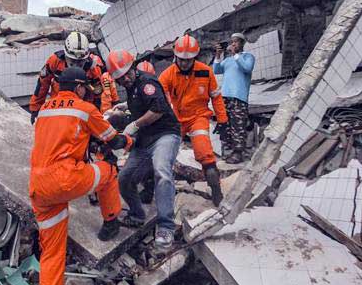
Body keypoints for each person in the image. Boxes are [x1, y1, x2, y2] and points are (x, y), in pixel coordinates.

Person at [30, 67, 133, 285]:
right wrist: (129, 141)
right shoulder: (84, 109)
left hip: (39, 187)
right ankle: (111, 223)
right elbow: (112, 140)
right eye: (84, 88)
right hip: (66, 179)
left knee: (52, 253)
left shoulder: (45, 109)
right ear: (78, 87)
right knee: (109, 170)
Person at [106, 50, 181, 249]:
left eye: (127, 74)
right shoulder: (130, 87)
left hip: (165, 134)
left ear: (133, 67)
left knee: (162, 171)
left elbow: (157, 109)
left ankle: (166, 226)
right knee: (124, 179)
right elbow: (141, 104)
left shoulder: (147, 82)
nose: (125, 80)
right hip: (145, 140)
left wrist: (136, 125)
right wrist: (125, 108)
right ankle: (137, 215)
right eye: (120, 79)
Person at [158, 35, 228, 206]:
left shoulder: (206, 71)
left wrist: (222, 120)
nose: (184, 63)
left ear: (195, 57)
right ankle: (154, 189)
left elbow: (216, 97)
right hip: (176, 120)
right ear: (175, 56)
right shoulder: (167, 76)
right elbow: (158, 102)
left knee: (206, 155)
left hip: (198, 117)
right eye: (181, 59)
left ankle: (216, 191)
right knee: (163, 156)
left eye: (188, 60)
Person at [29, 32, 102, 124]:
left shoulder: (93, 69)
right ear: (66, 54)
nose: (76, 65)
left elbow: (98, 95)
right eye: (73, 61)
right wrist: (35, 108)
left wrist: (96, 118)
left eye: (80, 62)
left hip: (82, 111)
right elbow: (43, 84)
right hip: (58, 107)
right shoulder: (55, 61)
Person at [213, 33, 255, 164]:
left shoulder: (248, 57)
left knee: (238, 125)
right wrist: (218, 55)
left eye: (236, 42)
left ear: (242, 43)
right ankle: (228, 151)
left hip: (239, 97)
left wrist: (236, 54)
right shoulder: (228, 60)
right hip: (225, 97)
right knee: (225, 124)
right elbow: (216, 70)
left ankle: (238, 153)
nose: (233, 44)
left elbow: (247, 68)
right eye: (232, 42)